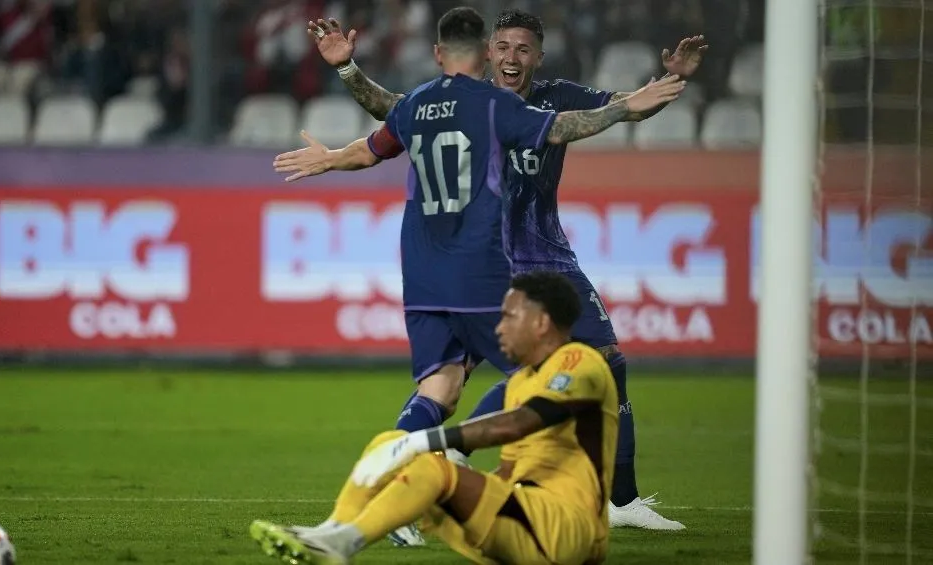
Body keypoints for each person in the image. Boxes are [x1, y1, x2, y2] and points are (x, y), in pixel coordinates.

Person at [298, 9, 708, 532]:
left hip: (546, 254)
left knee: (596, 364)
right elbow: (393, 112)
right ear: (487, 52)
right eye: (504, 47)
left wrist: (670, 81)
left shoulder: (552, 94)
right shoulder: (475, 104)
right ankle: (452, 455)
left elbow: (624, 107)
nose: (512, 57)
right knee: (518, 373)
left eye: (523, 49)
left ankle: (617, 500)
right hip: (495, 256)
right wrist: (349, 74)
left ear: (537, 55)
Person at [250, 270, 621, 565]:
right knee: (390, 443)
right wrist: (453, 486)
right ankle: (330, 533)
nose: (498, 327)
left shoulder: (579, 361)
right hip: (522, 524)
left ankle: (343, 545)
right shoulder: (523, 379)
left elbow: (518, 423)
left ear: (541, 322)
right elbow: (509, 472)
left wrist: (424, 442)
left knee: (430, 465)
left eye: (509, 316)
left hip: (567, 532)